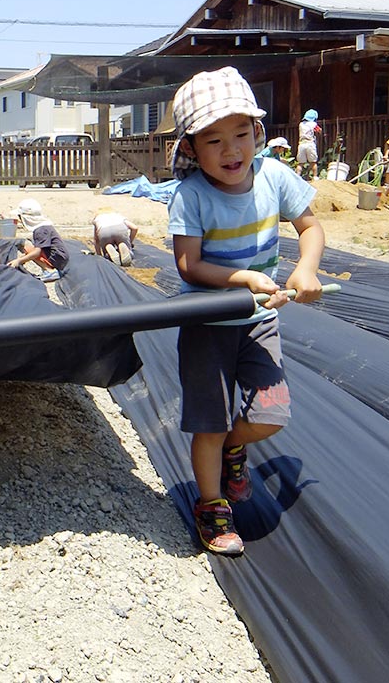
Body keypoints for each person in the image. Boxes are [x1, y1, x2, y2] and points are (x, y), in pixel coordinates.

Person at [167, 66, 324, 556]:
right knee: (209, 424)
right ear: (192, 148)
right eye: (214, 141)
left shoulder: (275, 176)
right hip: (207, 325)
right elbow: (189, 265)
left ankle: (235, 446)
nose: (231, 150)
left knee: (272, 414)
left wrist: (306, 269)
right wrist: (243, 278)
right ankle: (211, 506)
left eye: (240, 134)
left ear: (257, 132)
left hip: (259, 322)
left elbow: (311, 227)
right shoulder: (191, 195)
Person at [5, 198, 70, 282]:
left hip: (58, 258)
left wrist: (19, 261)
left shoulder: (41, 230)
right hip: (60, 257)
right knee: (31, 245)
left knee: (25, 245)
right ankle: (49, 269)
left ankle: (49, 271)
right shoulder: (44, 226)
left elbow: (37, 253)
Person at [295, 109, 321, 179]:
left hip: (301, 144)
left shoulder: (301, 124)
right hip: (310, 144)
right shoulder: (313, 124)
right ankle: (315, 176)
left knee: (300, 163)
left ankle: (297, 176)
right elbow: (318, 130)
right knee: (313, 162)